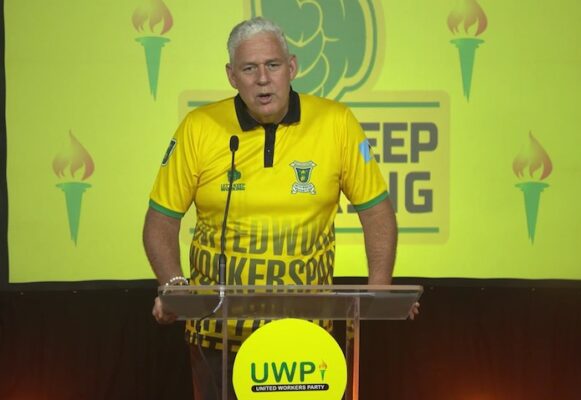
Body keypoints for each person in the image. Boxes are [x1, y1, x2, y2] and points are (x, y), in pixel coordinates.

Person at [143, 16, 417, 399]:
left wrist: (380, 289)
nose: (262, 79)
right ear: (231, 76)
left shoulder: (336, 122)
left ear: (292, 67)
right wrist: (175, 288)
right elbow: (160, 221)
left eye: (272, 65)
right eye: (249, 69)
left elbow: (376, 211)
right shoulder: (199, 127)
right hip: (218, 337)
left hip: (307, 337)